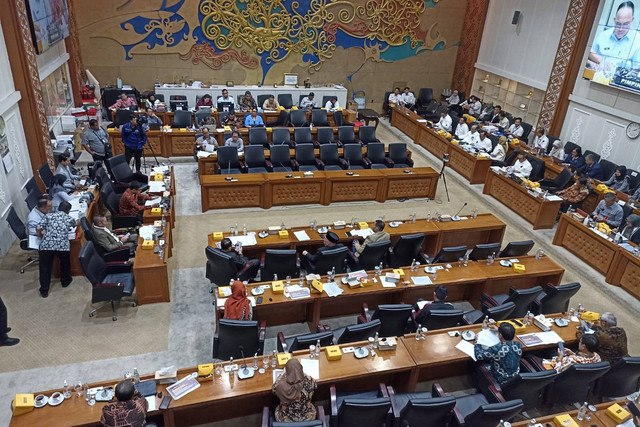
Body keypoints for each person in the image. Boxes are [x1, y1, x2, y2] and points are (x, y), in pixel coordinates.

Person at [38, 200, 76, 298]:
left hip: (46, 246)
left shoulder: (48, 216)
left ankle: (44, 290)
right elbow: (75, 224)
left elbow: (39, 228)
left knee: (44, 268)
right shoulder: (69, 218)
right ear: (68, 211)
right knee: (65, 263)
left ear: (58, 208)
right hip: (62, 246)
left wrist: (42, 236)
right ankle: (65, 281)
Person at [589, 1, 638, 69]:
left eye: (625, 24)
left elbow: (637, 70)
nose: (621, 29)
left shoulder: (638, 41)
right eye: (618, 23)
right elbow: (589, 54)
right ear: (614, 20)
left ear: (632, 20)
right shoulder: (603, 35)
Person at [272, 358, 317, 422]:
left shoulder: (280, 386)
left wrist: (282, 375)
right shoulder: (310, 380)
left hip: (286, 419)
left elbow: (274, 390)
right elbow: (315, 386)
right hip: (307, 417)